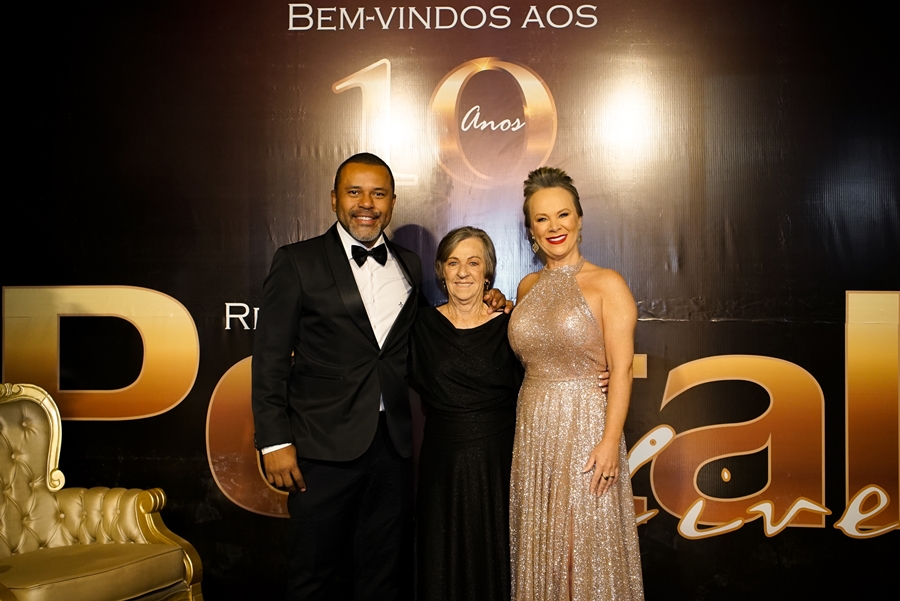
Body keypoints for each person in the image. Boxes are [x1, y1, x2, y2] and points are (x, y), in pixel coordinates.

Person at [251, 153, 508, 601]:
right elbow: (270, 358)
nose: (366, 203)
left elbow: (440, 329)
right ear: (334, 199)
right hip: (321, 448)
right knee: (314, 575)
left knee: (383, 576)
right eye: (354, 192)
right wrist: (274, 441)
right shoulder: (297, 261)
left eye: (378, 194)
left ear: (392, 203)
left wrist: (492, 298)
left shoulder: (408, 264)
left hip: (392, 450)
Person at [508, 167, 644, 600]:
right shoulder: (527, 286)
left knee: (580, 551)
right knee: (542, 551)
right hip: (534, 430)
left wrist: (610, 441)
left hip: (586, 428)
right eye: (542, 218)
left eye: (563, 214)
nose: (554, 226)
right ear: (531, 229)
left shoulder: (608, 284)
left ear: (579, 219)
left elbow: (621, 369)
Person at [408, 227, 524, 601]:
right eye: (453, 262)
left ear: (488, 272)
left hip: (497, 464)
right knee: (440, 558)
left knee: (494, 555)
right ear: (441, 270)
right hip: (441, 466)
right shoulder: (421, 326)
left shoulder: (511, 327)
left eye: (473, 263)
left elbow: (547, 371)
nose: (462, 272)